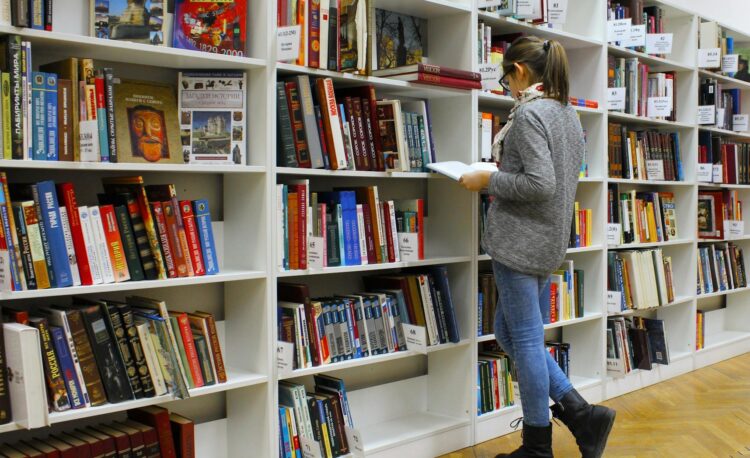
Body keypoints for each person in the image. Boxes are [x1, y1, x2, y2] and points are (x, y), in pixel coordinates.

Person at [460, 36, 616, 458]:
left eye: (505, 77)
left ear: (522, 73)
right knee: (507, 332)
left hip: (520, 240)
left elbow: (540, 184)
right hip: (547, 239)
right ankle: (581, 412)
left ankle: (537, 445)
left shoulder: (529, 115)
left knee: (525, 340)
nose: (505, 86)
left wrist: (487, 180)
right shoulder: (566, 113)